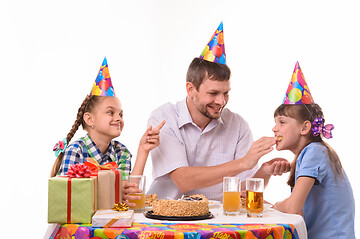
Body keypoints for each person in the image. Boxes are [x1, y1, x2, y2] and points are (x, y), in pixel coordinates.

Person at [146, 22, 290, 202]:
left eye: (226, 93)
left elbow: (243, 193)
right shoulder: (164, 118)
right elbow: (183, 180)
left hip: (219, 221)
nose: (221, 102)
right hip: (167, 219)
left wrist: (264, 171)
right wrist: (243, 162)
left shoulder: (238, 125)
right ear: (191, 89)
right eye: (213, 93)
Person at [50, 57, 165, 205]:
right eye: (111, 112)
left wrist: (143, 150)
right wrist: (113, 191)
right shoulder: (75, 151)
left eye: (121, 115)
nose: (118, 118)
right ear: (90, 119)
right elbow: (65, 196)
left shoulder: (121, 152)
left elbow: (128, 197)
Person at [272, 62, 355, 239]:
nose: (274, 128)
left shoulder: (314, 152)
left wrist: (271, 207)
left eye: (282, 122)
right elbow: (296, 212)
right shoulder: (311, 153)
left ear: (305, 127)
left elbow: (294, 208)